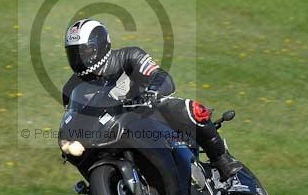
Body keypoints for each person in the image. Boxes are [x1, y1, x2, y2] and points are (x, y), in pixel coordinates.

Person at [61, 18, 249, 183]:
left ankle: (221, 158)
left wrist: (151, 92)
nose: (81, 60)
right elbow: (74, 119)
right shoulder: (70, 89)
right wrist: (67, 141)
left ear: (102, 45)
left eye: (85, 53)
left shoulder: (129, 56)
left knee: (189, 110)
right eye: (75, 55)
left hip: (148, 111)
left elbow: (161, 77)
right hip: (112, 129)